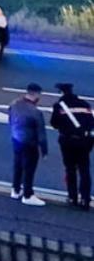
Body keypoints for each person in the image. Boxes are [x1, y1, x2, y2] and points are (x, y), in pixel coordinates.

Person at [51, 83, 93, 211]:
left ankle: (72, 197)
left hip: (68, 141)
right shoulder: (85, 104)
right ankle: (85, 198)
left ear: (61, 92)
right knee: (84, 169)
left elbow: (54, 123)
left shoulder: (59, 106)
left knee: (70, 169)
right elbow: (92, 122)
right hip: (85, 141)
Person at [8, 83, 48, 206]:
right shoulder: (36, 112)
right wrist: (44, 150)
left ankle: (15, 190)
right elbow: (41, 134)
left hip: (16, 139)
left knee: (18, 165)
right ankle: (28, 194)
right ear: (36, 94)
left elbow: (10, 120)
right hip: (29, 143)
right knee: (29, 169)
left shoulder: (14, 104)